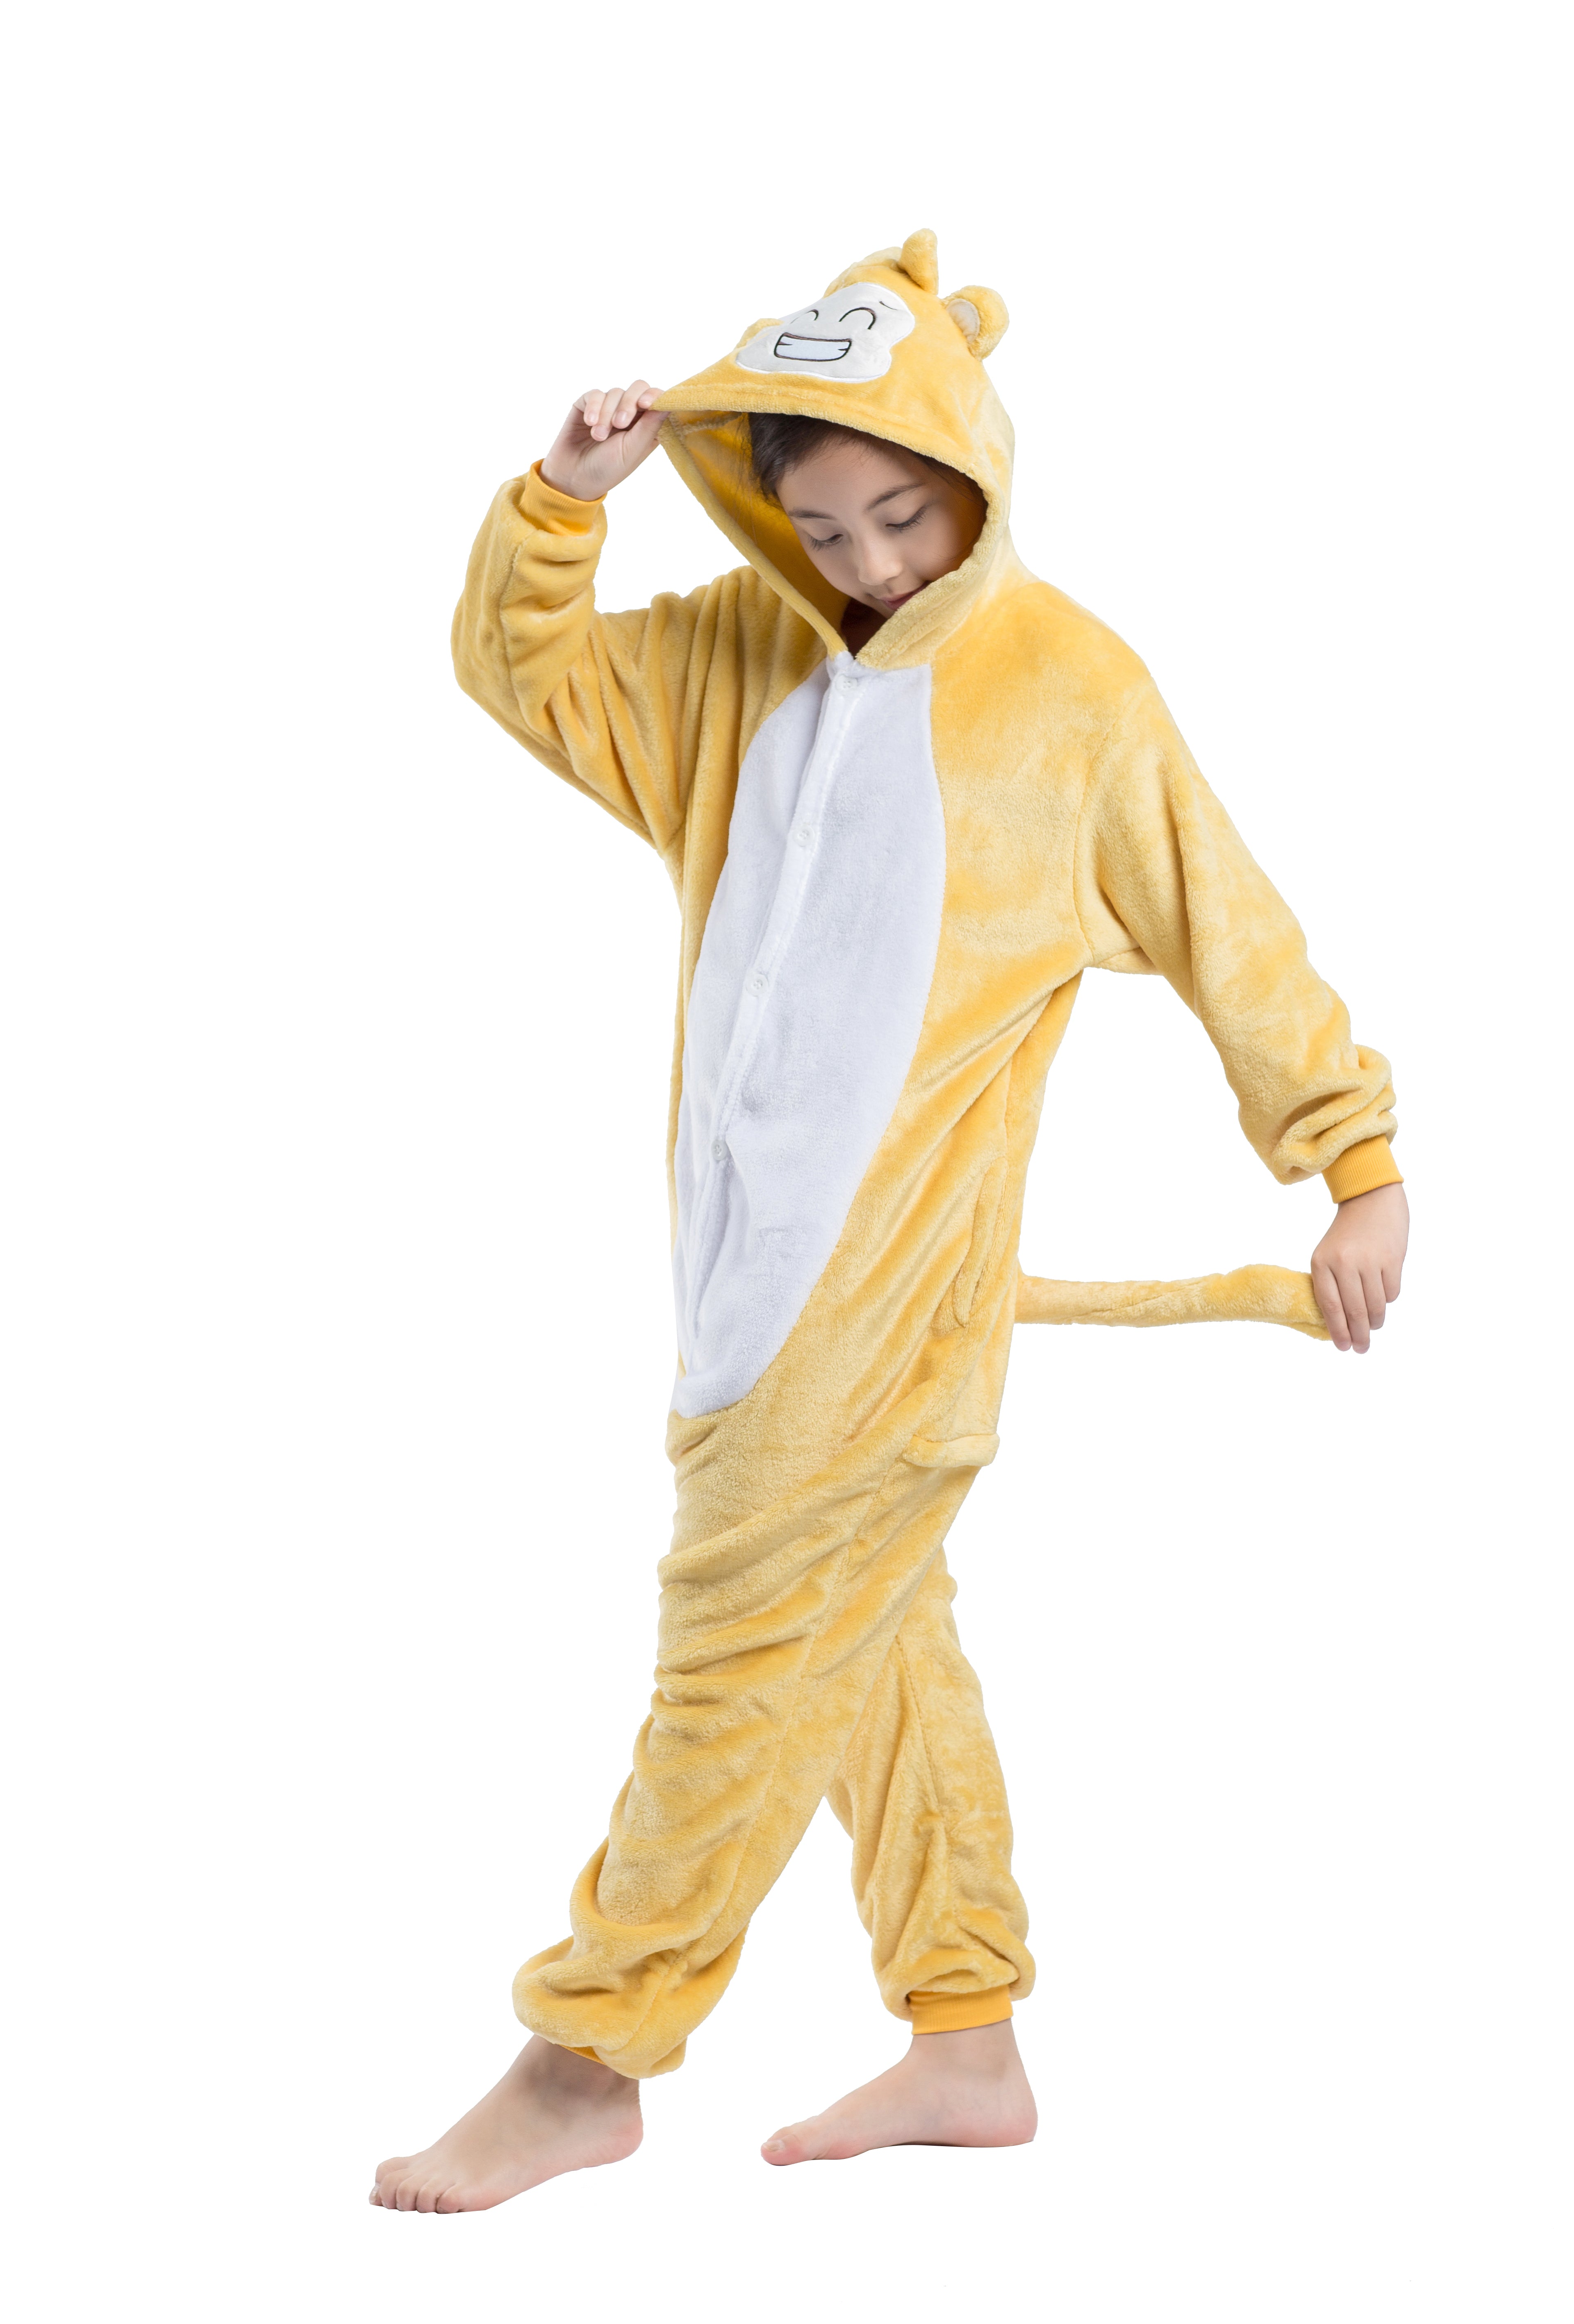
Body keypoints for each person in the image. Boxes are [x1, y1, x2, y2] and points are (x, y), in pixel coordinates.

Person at [371, 231, 1408, 2212]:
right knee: (872, 1647)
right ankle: (966, 2037)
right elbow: (530, 674)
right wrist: (564, 505)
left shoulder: (1072, 691)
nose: (872, 565)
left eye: (908, 517)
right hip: (737, 1278)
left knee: (739, 1658)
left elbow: (1228, 925)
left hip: (890, 1299)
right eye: (827, 529)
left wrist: (1354, 1162)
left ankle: (587, 2058)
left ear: (973, 472)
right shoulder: (740, 658)